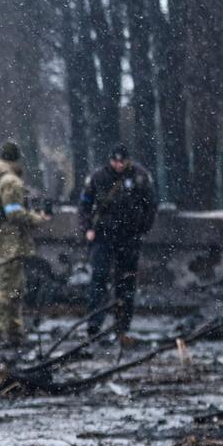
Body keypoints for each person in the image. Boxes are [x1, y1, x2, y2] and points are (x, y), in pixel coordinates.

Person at [77, 144, 158, 342]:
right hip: (104, 235)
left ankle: (122, 326)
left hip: (129, 236)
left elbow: (151, 205)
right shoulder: (98, 177)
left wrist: (141, 229)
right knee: (99, 279)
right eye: (115, 161)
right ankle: (95, 325)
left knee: (126, 283)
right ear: (110, 160)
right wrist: (88, 228)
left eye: (122, 161)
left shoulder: (140, 177)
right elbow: (84, 204)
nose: (119, 165)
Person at [0, 141, 45, 347]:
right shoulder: (10, 181)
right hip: (9, 241)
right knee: (6, 285)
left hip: (0, 239)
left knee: (16, 287)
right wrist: (36, 218)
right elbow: (14, 213)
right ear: (17, 158)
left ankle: (14, 331)